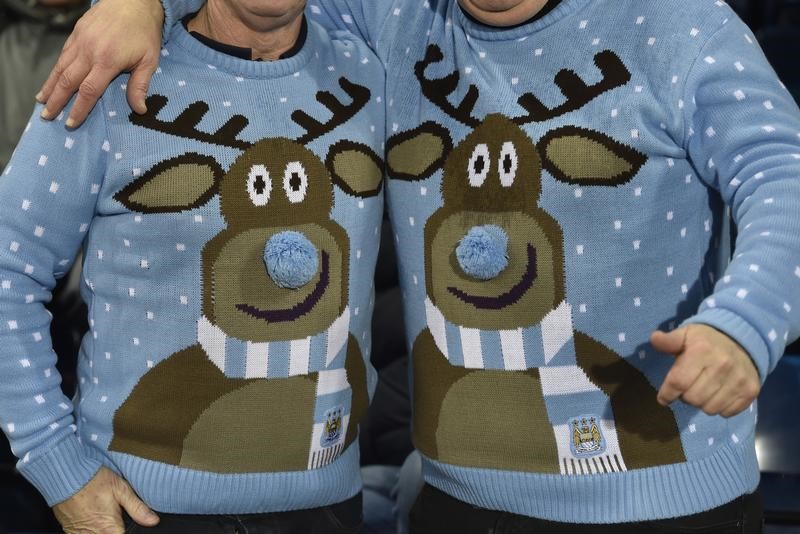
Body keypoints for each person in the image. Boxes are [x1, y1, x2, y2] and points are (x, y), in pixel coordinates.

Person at [34, 0, 800, 532]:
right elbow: (247, 19)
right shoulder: (389, 19)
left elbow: (785, 170)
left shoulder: (677, 22)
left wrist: (745, 325)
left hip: (663, 510)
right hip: (455, 509)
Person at [0, 0, 387, 532]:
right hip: (139, 510)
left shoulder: (368, 73)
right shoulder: (113, 72)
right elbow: (9, 264)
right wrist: (55, 463)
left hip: (327, 507)